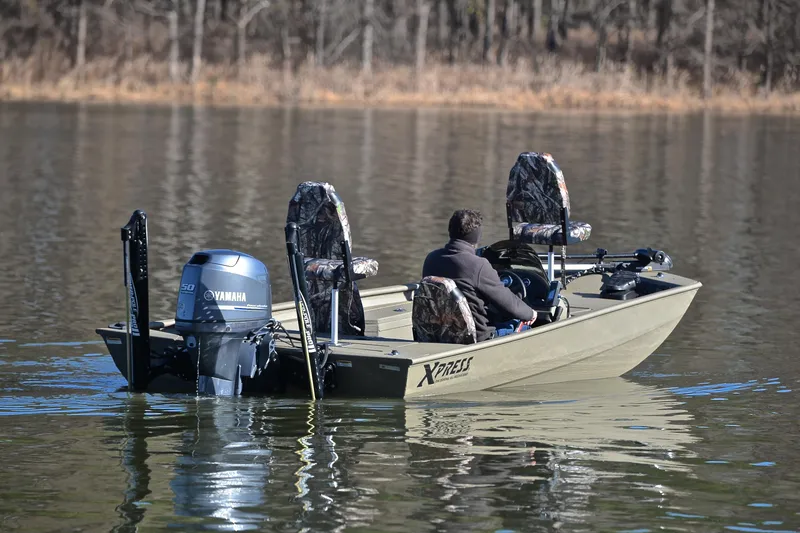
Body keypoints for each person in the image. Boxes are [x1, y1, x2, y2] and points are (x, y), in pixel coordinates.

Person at [422, 209, 537, 342]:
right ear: (476, 236)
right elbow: (508, 303)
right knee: (526, 329)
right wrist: (530, 313)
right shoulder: (478, 265)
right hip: (476, 337)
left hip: (439, 334)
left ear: (450, 230)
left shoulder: (431, 259)